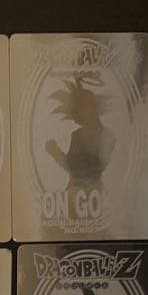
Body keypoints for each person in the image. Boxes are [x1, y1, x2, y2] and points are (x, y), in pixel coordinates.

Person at [44, 77, 115, 214]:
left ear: (92, 107)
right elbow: (72, 167)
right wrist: (55, 152)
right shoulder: (77, 135)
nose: (78, 114)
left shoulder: (108, 137)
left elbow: (89, 169)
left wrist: (56, 153)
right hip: (74, 196)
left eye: (81, 108)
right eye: (76, 110)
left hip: (94, 197)